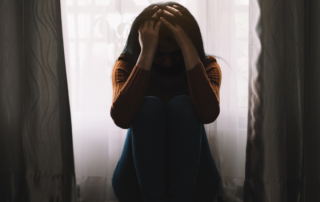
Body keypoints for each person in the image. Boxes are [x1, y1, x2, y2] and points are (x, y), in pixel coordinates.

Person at [110, 2, 222, 202]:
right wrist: (145, 55)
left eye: (176, 54)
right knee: (149, 106)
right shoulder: (126, 66)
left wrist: (188, 48)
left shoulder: (207, 66)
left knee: (183, 105)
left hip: (196, 182)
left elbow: (208, 114)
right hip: (135, 182)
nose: (168, 62)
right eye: (160, 55)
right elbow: (121, 119)